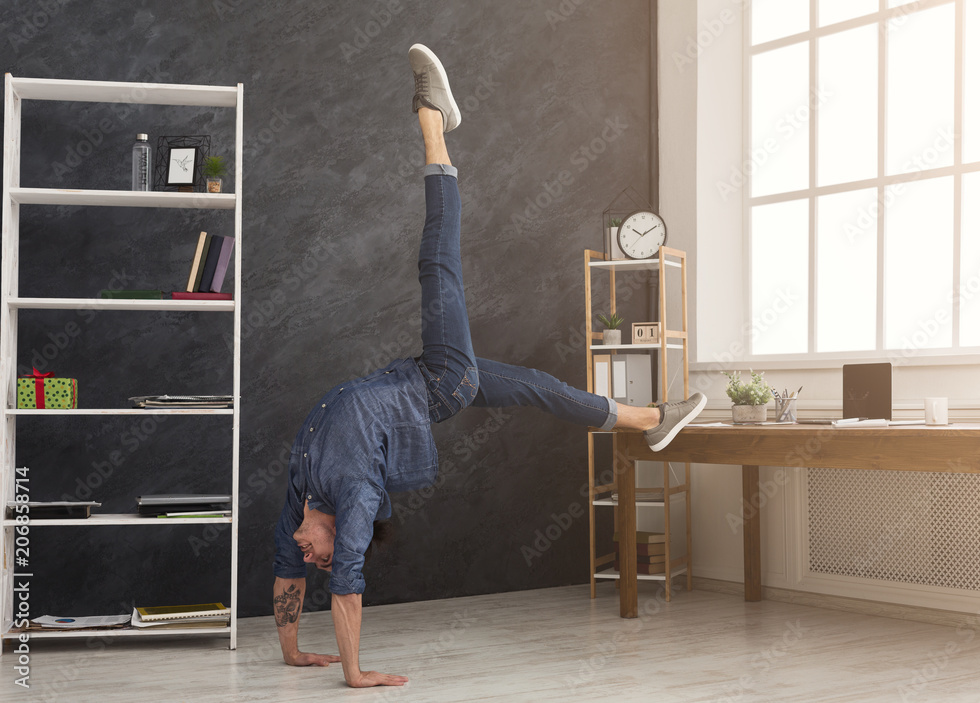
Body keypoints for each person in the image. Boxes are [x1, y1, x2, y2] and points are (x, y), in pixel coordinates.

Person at [271, 44, 707, 688]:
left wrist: (291, 652)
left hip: (420, 372)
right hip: (441, 382)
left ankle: (648, 417)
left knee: (538, 388)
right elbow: (348, 584)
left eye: (311, 556)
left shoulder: (300, 501)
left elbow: (285, 571)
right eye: (321, 559)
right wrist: (353, 673)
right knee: (437, 265)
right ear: (342, 537)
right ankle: (431, 119)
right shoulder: (356, 499)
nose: (312, 560)